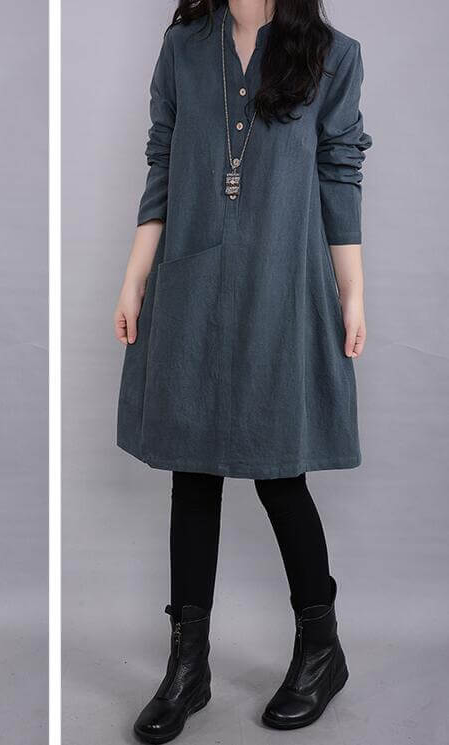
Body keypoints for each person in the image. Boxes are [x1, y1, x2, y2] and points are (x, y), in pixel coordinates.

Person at [113, 0, 371, 741]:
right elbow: (163, 162)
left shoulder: (332, 55)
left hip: (281, 288)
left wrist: (353, 295)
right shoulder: (184, 48)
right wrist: (134, 277)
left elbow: (338, 174)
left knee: (279, 474)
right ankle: (187, 667)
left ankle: (320, 649)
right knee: (192, 474)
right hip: (191, 284)